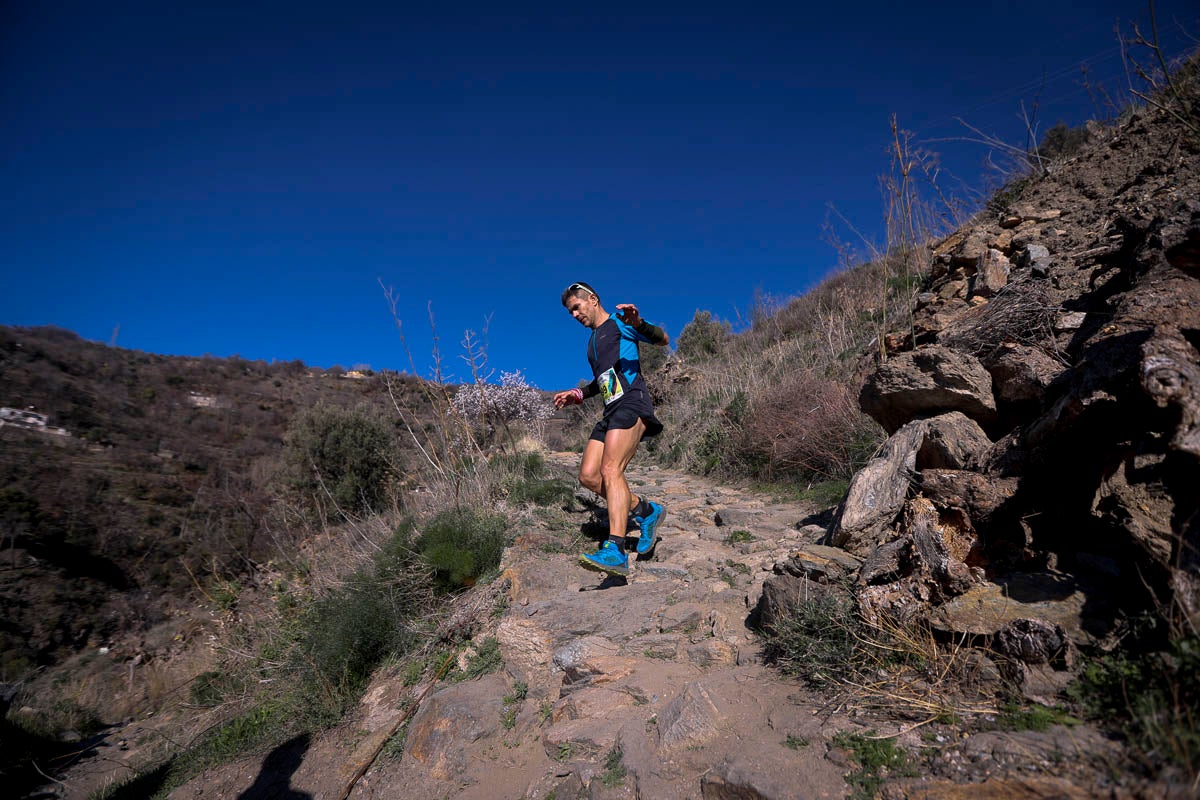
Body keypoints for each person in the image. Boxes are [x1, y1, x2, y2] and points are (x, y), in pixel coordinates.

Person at [553, 281, 670, 577]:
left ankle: (616, 549)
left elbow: (662, 339)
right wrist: (578, 394)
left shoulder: (621, 323)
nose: (575, 315)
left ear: (592, 299)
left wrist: (640, 323)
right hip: (610, 409)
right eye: (570, 313)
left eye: (576, 308)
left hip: (631, 402)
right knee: (589, 476)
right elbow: (602, 381)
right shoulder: (592, 343)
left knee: (611, 469)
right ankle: (646, 511)